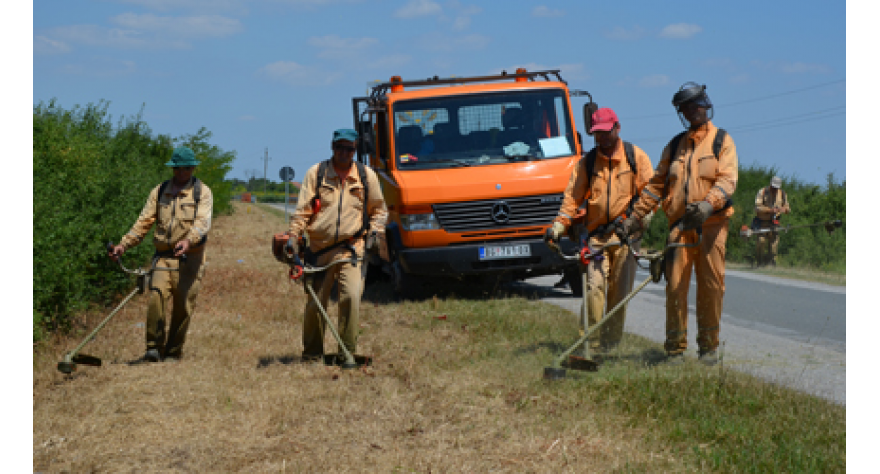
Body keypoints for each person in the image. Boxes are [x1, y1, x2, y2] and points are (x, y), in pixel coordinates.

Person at [620, 82, 738, 366]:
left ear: (706, 105)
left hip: (711, 227)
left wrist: (708, 204)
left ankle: (708, 350)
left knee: (711, 287)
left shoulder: (722, 141)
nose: (692, 111)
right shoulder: (674, 146)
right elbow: (655, 186)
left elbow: (727, 180)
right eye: (686, 108)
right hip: (679, 228)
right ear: (682, 113)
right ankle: (675, 349)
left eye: (695, 105)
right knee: (675, 287)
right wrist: (634, 217)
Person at [544, 108, 654, 356]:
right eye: (597, 134)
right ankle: (590, 346)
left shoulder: (635, 157)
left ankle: (611, 346)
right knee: (594, 288)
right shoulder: (588, 163)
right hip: (596, 239)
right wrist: (560, 225)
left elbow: (651, 194)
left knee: (618, 295)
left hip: (626, 238)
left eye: (606, 132)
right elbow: (572, 198)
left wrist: (641, 219)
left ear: (617, 127)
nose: (602, 138)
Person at [288, 129, 388, 361]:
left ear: (355, 150)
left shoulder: (366, 175)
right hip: (318, 250)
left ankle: (347, 352)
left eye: (349, 148)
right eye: (339, 147)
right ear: (332, 147)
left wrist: (375, 233)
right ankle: (312, 354)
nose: (344, 152)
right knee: (315, 303)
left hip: (352, 249)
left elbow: (379, 211)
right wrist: (294, 236)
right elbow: (302, 211)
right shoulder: (317, 173)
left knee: (351, 297)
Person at [109, 146, 213, 362]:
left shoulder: (202, 192)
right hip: (163, 256)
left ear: (192, 168)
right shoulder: (160, 191)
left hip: (190, 258)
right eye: (176, 169)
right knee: (156, 296)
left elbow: (202, 223)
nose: (180, 173)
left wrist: (187, 241)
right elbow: (143, 222)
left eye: (185, 169)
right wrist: (123, 245)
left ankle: (174, 351)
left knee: (183, 305)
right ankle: (153, 347)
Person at [754, 176, 790, 267]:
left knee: (774, 244)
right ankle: (760, 262)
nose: (774, 189)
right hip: (762, 222)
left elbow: (787, 208)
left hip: (775, 223)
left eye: (776, 187)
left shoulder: (782, 194)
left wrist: (783, 210)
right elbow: (757, 207)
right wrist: (770, 210)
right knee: (761, 241)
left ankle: (771, 263)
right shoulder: (762, 192)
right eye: (773, 187)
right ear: (770, 184)